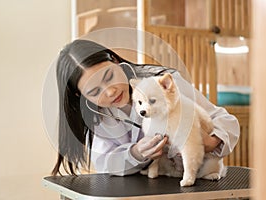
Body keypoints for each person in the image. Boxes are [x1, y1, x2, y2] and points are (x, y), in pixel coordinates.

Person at [51, 39, 240, 176]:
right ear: (81, 95)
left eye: (109, 77)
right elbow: (106, 163)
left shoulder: (163, 83)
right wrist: (136, 153)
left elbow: (225, 121)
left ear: (115, 61)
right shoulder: (97, 116)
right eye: (94, 91)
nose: (110, 92)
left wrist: (210, 141)